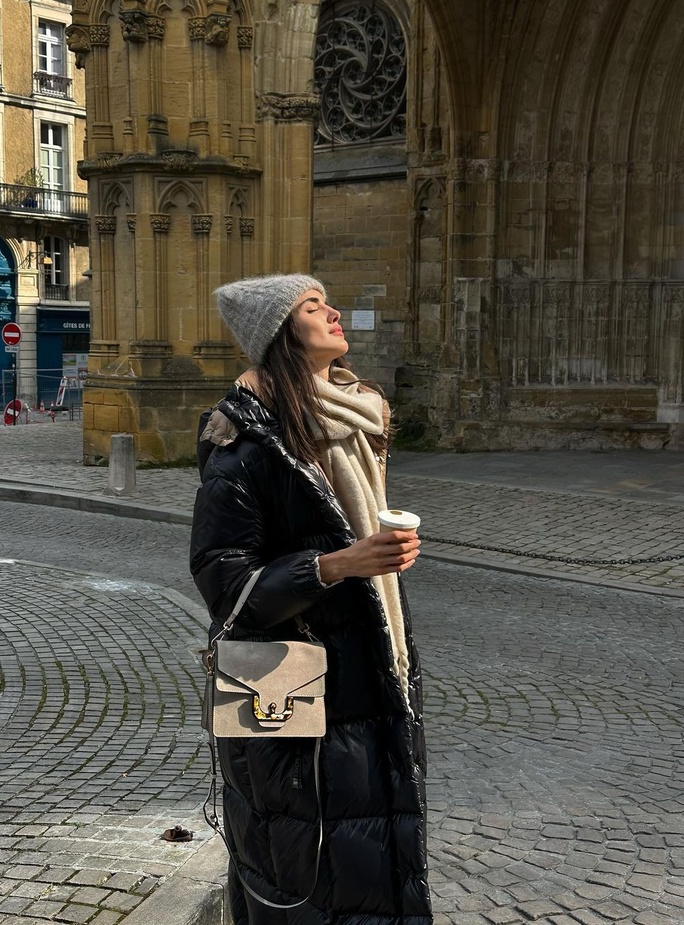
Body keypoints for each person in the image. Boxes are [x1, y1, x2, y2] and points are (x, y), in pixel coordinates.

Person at [190, 274, 432, 925]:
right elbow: (226, 586)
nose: (331, 312)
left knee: (370, 868)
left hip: (369, 671)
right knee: (300, 877)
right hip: (281, 685)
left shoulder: (347, 414)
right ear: (279, 335)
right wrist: (338, 564)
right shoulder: (241, 440)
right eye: (311, 306)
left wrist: (378, 560)